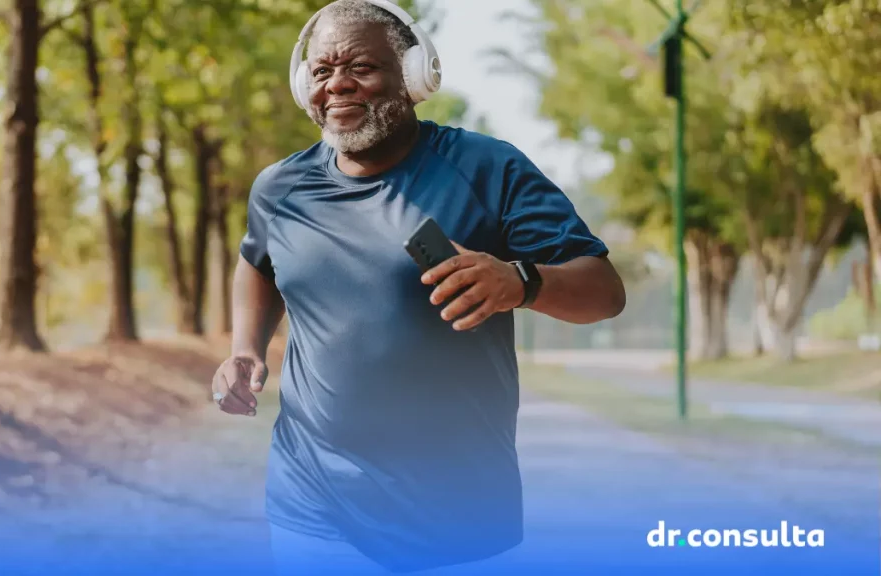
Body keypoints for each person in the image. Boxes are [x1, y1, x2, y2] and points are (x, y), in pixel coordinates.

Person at [209, 1, 626, 574]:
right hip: (312, 507)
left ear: (414, 75)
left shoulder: (488, 170)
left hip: (458, 517)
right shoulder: (280, 188)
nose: (337, 85)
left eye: (360, 67)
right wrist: (244, 349)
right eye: (322, 70)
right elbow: (257, 263)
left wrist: (520, 282)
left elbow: (604, 291)